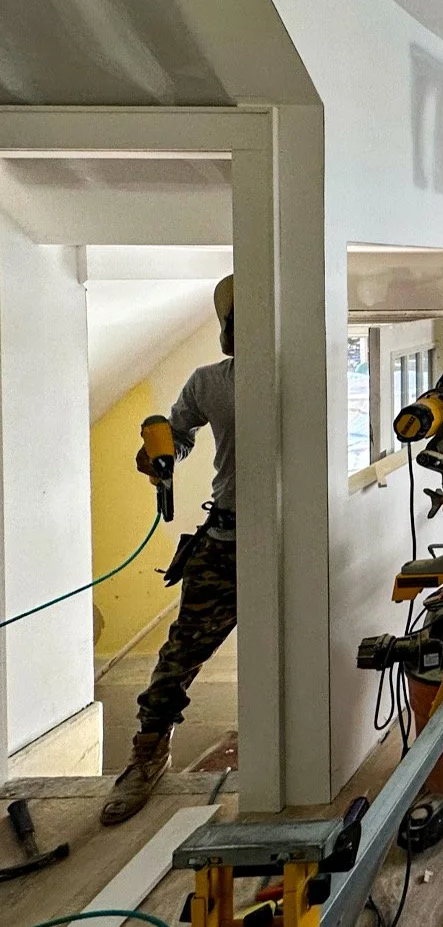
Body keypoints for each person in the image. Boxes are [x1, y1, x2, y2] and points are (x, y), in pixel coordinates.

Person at [102, 275, 238, 826]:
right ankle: (147, 756)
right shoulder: (209, 383)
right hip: (225, 542)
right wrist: (160, 455)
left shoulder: (303, 373)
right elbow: (177, 432)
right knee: (180, 654)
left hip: (290, 545)